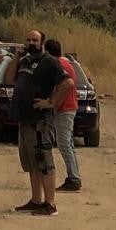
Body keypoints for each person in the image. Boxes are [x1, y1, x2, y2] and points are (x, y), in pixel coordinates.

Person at [4, 29, 74, 216]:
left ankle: (50, 204)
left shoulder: (49, 62)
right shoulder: (25, 61)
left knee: (44, 162)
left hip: (40, 122)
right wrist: (16, 58)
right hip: (24, 120)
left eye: (35, 40)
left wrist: (51, 103)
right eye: (28, 40)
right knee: (31, 163)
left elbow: (68, 83)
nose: (31, 43)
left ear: (42, 43)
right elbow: (9, 79)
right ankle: (36, 200)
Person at [45, 38, 82, 192]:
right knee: (68, 144)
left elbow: (61, 86)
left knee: (64, 143)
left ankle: (73, 178)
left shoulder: (58, 65)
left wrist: (52, 103)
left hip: (64, 108)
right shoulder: (67, 63)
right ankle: (74, 176)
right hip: (69, 107)